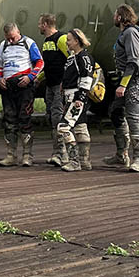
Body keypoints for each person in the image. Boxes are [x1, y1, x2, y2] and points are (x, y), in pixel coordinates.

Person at [103, 4, 139, 173]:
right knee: (115, 112)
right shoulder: (126, 33)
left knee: (134, 117)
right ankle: (121, 155)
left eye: (115, 15)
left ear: (121, 17)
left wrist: (123, 84)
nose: (113, 17)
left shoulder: (130, 33)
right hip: (126, 79)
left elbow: (134, 62)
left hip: (134, 81)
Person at [0, 22, 43, 167]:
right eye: (8, 38)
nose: (11, 40)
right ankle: (11, 155)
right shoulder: (3, 45)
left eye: (13, 38)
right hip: (8, 88)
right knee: (9, 121)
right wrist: (0, 78)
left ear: (18, 32)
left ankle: (27, 155)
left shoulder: (29, 43)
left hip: (25, 87)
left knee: (25, 119)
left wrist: (30, 77)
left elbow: (40, 62)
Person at [57, 28, 93, 172]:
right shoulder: (72, 57)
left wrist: (81, 98)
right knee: (80, 127)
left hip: (76, 97)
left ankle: (74, 161)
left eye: (69, 40)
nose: (67, 42)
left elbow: (86, 78)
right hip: (69, 96)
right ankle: (85, 161)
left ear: (77, 41)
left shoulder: (84, 58)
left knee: (63, 127)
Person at [38, 13, 69, 166]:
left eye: (40, 24)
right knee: (51, 117)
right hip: (50, 85)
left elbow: (71, 60)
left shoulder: (61, 39)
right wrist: (38, 78)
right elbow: (48, 65)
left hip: (60, 85)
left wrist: (66, 81)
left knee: (58, 117)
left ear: (45, 24)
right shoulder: (46, 42)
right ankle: (57, 152)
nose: (38, 26)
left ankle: (63, 154)